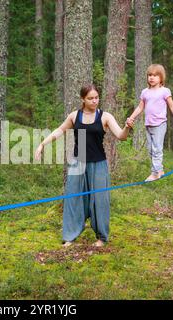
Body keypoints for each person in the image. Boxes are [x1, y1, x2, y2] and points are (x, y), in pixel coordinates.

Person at [34, 84, 132, 247]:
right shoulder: (74, 116)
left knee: (100, 200)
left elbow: (121, 136)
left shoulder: (105, 116)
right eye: (90, 98)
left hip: (98, 164)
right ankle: (69, 236)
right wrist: (42, 144)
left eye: (96, 97)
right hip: (77, 163)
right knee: (73, 199)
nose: (95, 101)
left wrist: (128, 127)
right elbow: (60, 130)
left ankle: (101, 237)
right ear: (83, 99)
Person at [126, 64, 173, 182]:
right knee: (151, 150)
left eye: (155, 75)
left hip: (160, 124)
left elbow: (172, 105)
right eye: (150, 75)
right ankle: (159, 170)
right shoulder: (145, 92)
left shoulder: (164, 91)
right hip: (148, 124)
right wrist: (131, 118)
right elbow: (140, 107)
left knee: (157, 149)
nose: (152, 78)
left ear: (161, 78)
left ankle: (155, 173)